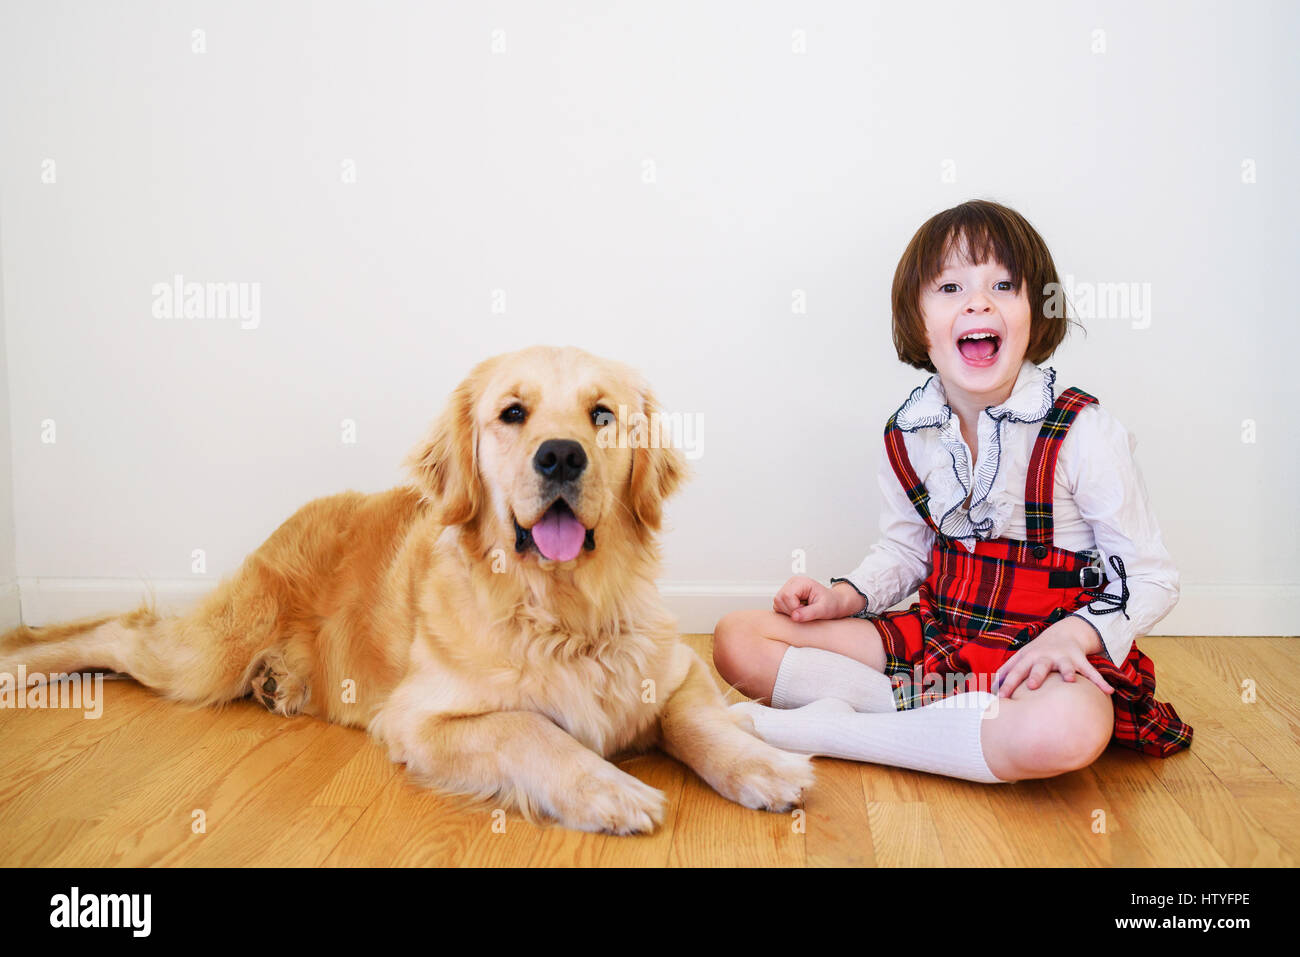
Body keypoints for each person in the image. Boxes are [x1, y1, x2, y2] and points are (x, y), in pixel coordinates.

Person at [713, 199, 1192, 784]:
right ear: (918, 322)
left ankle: (836, 730)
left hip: (1041, 654)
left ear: (1036, 316)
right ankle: (928, 716)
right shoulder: (911, 434)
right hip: (940, 641)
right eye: (950, 287)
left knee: (1066, 732)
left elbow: (1150, 578)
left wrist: (1073, 638)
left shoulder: (1081, 432)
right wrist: (843, 596)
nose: (977, 301)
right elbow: (906, 554)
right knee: (739, 639)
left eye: (1004, 285)